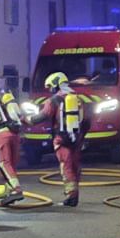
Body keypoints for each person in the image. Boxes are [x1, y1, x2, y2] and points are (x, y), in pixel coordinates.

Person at [36, 71, 84, 207]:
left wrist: (25, 120)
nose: (50, 90)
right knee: (74, 166)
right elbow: (86, 119)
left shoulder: (54, 100)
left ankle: (71, 197)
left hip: (61, 138)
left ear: (56, 85)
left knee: (66, 165)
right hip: (76, 137)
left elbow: (43, 116)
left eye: (50, 87)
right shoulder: (77, 98)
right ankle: (75, 194)